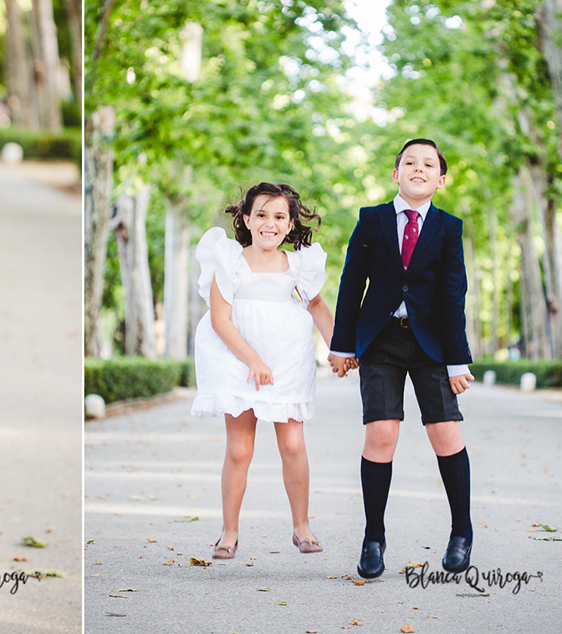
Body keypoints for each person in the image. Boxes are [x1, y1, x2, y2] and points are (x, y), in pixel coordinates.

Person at [328, 138, 474, 580]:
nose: (418, 168)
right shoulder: (371, 220)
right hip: (381, 340)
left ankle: (461, 532)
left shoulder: (448, 227)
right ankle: (374, 538)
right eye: (409, 161)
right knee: (381, 434)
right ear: (396, 174)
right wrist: (341, 344)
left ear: (440, 180)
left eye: (429, 164)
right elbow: (352, 280)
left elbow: (453, 295)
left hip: (432, 345)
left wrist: (457, 360)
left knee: (445, 432)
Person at [192, 182, 334, 559]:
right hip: (237, 357)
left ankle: (302, 527)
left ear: (289, 225)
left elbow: (317, 307)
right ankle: (229, 531)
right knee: (239, 449)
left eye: (278, 217)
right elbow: (221, 320)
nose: (269, 224)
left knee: (291, 443)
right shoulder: (229, 261)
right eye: (261, 215)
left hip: (286, 358)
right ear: (246, 219)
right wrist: (252, 360)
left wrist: (339, 350)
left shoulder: (298, 266)